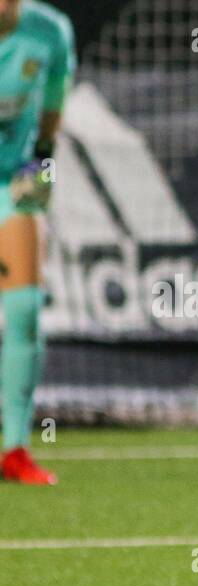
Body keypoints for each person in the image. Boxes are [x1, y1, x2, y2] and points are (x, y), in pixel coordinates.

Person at [0, 0, 75, 485]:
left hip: (15, 182)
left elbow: (50, 117)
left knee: (25, 306)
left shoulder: (50, 32)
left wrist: (38, 189)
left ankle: (14, 448)